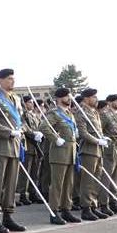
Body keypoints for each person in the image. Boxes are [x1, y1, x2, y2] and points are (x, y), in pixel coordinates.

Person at [0, 68, 35, 233]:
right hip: (0, 145)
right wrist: (8, 132)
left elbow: (20, 121)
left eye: (13, 78)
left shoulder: (16, 99)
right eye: (9, 79)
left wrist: (26, 131)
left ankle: (8, 215)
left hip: (15, 146)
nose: (13, 81)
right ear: (0, 80)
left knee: (11, 183)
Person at [39, 88, 79, 225]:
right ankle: (54, 212)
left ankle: (66, 209)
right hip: (59, 153)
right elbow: (43, 126)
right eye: (67, 96)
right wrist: (55, 139)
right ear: (59, 98)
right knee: (57, 185)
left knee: (68, 184)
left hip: (70, 153)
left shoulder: (69, 114)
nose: (69, 99)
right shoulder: (54, 113)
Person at [74, 88, 109, 220]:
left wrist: (102, 138)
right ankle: (86, 208)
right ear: (86, 98)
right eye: (94, 97)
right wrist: (97, 141)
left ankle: (93, 206)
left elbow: (97, 130)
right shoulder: (81, 111)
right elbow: (83, 133)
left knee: (96, 180)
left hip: (98, 150)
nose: (96, 99)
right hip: (88, 150)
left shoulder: (94, 112)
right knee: (87, 181)